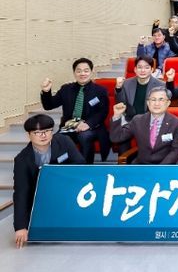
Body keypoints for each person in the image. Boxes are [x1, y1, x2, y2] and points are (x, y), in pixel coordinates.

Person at [13, 114, 85, 248]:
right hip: (41, 198)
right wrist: (20, 227)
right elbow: (21, 193)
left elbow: (80, 164)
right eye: (37, 132)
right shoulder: (22, 160)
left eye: (47, 131)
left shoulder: (64, 141)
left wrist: (60, 177)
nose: (43, 135)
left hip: (67, 190)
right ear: (29, 135)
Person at [40, 58, 110, 164]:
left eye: (86, 71)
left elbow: (103, 112)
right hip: (70, 126)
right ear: (74, 73)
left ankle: (85, 168)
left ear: (91, 72)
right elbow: (49, 106)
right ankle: (62, 167)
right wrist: (46, 92)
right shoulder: (66, 89)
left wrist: (88, 124)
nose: (82, 74)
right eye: (79, 71)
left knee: (84, 136)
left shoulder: (100, 90)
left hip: (92, 127)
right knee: (57, 139)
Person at [110, 87, 178, 164]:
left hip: (164, 166)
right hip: (141, 165)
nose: (156, 103)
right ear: (148, 102)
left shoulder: (176, 123)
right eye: (153, 100)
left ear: (168, 103)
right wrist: (117, 115)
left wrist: (161, 168)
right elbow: (116, 137)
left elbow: (176, 150)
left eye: (161, 100)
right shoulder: (137, 120)